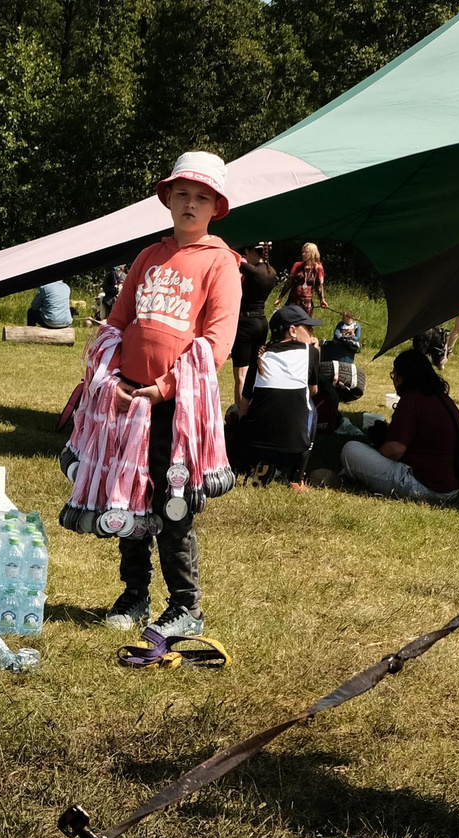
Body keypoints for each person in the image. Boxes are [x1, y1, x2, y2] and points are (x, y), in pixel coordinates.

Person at [80, 149, 242, 634]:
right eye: (183, 194)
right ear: (168, 198)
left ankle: (185, 608)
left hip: (176, 410)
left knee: (173, 508)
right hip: (129, 402)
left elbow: (215, 345)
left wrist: (163, 387)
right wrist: (112, 379)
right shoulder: (149, 256)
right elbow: (117, 321)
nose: (190, 204)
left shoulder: (220, 264)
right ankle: (134, 597)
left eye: (202, 197)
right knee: (126, 502)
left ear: (216, 206)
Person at [342, 346, 459, 502]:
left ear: (402, 378)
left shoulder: (412, 400)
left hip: (426, 486)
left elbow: (394, 450)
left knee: (350, 450)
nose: (394, 381)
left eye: (394, 376)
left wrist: (379, 444)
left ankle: (345, 476)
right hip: (451, 487)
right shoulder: (443, 399)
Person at [227, 305, 325, 487]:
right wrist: (316, 350)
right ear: (293, 331)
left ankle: (258, 462)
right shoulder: (310, 352)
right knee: (311, 408)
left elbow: (245, 401)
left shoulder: (260, 356)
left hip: (252, 444)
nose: (312, 332)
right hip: (293, 447)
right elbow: (313, 390)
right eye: (308, 328)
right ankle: (297, 477)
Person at [231, 239, 279, 405]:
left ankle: (239, 411)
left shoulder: (252, 271)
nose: (245, 255)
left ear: (253, 252)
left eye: (247, 252)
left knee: (241, 374)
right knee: (254, 369)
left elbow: (231, 257)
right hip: (262, 322)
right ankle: (252, 406)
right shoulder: (272, 272)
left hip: (245, 323)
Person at [280, 241, 329, 317]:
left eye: (306, 252)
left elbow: (319, 286)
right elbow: (289, 282)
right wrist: (280, 298)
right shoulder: (297, 265)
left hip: (307, 303)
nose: (303, 254)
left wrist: (322, 300)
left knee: (305, 326)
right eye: (303, 252)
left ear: (313, 253)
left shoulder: (318, 268)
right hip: (293, 300)